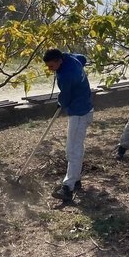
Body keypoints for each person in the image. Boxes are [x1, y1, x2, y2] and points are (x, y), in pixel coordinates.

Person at [43, 49, 94, 204]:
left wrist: (61, 103)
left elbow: (65, 97)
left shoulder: (66, 75)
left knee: (73, 149)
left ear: (59, 61)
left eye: (52, 66)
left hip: (80, 112)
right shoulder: (71, 58)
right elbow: (83, 57)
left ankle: (68, 187)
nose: (50, 70)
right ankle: (76, 179)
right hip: (86, 108)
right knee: (76, 146)